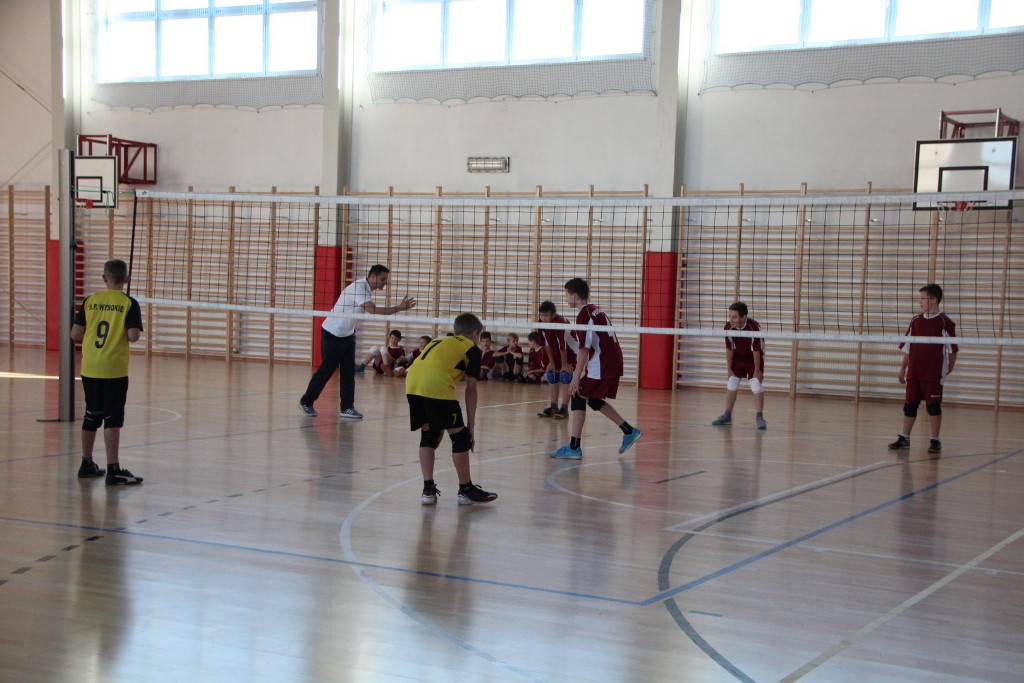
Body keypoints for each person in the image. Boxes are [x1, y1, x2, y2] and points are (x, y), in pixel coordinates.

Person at [299, 264, 416, 419]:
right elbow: (373, 310)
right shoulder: (358, 288)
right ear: (372, 277)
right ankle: (306, 402)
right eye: (383, 279)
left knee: (348, 372)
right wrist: (399, 308)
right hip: (333, 334)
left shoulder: (366, 289)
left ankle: (347, 408)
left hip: (348, 335)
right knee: (326, 370)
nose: (385, 282)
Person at [406, 312, 498, 505]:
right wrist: (471, 427)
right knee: (461, 437)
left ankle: (428, 491)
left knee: (429, 435)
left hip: (412, 385)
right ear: (475, 333)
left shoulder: (438, 340)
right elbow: (471, 390)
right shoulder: (472, 348)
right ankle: (466, 490)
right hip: (436, 387)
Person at [70, 258, 145, 486]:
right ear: (127, 279)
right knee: (112, 419)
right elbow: (133, 336)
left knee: (91, 415)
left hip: (90, 367)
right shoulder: (128, 303)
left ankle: (86, 464)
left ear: (104, 278)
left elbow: (75, 334)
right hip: (114, 369)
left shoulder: (90, 301)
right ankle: (114, 470)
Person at [550, 279, 642, 460]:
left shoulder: (584, 315)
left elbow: (584, 349)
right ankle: (628, 431)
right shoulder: (595, 309)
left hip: (603, 362)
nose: (565, 298)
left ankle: (574, 448)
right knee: (591, 398)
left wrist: (575, 377)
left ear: (575, 295)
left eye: (567, 294)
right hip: (610, 360)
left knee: (577, 393)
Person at [888, 284, 958, 454]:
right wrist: (903, 368)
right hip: (915, 371)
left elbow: (952, 350)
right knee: (910, 405)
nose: (920, 302)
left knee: (933, 407)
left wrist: (948, 368)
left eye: (922, 299)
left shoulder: (945, 322)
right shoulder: (915, 321)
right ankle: (905, 438)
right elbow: (908, 347)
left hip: (933, 373)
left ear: (934, 300)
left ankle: (935, 440)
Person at [711, 302, 767, 430]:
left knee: (756, 383)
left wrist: (757, 371)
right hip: (738, 356)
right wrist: (729, 369)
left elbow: (756, 351)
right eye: (729, 316)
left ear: (743, 317)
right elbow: (729, 349)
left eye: (734, 317)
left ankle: (759, 417)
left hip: (754, 357)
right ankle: (727, 415)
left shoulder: (753, 327)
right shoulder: (728, 327)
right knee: (732, 381)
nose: (731, 320)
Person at [536, 300, 575, 419]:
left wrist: (564, 365)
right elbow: (546, 344)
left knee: (565, 375)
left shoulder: (560, 323)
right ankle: (553, 407)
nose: (543, 318)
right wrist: (551, 362)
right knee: (551, 374)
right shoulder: (540, 323)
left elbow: (562, 346)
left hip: (571, 351)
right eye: (541, 315)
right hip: (556, 350)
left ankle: (564, 409)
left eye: (546, 315)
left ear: (553, 315)